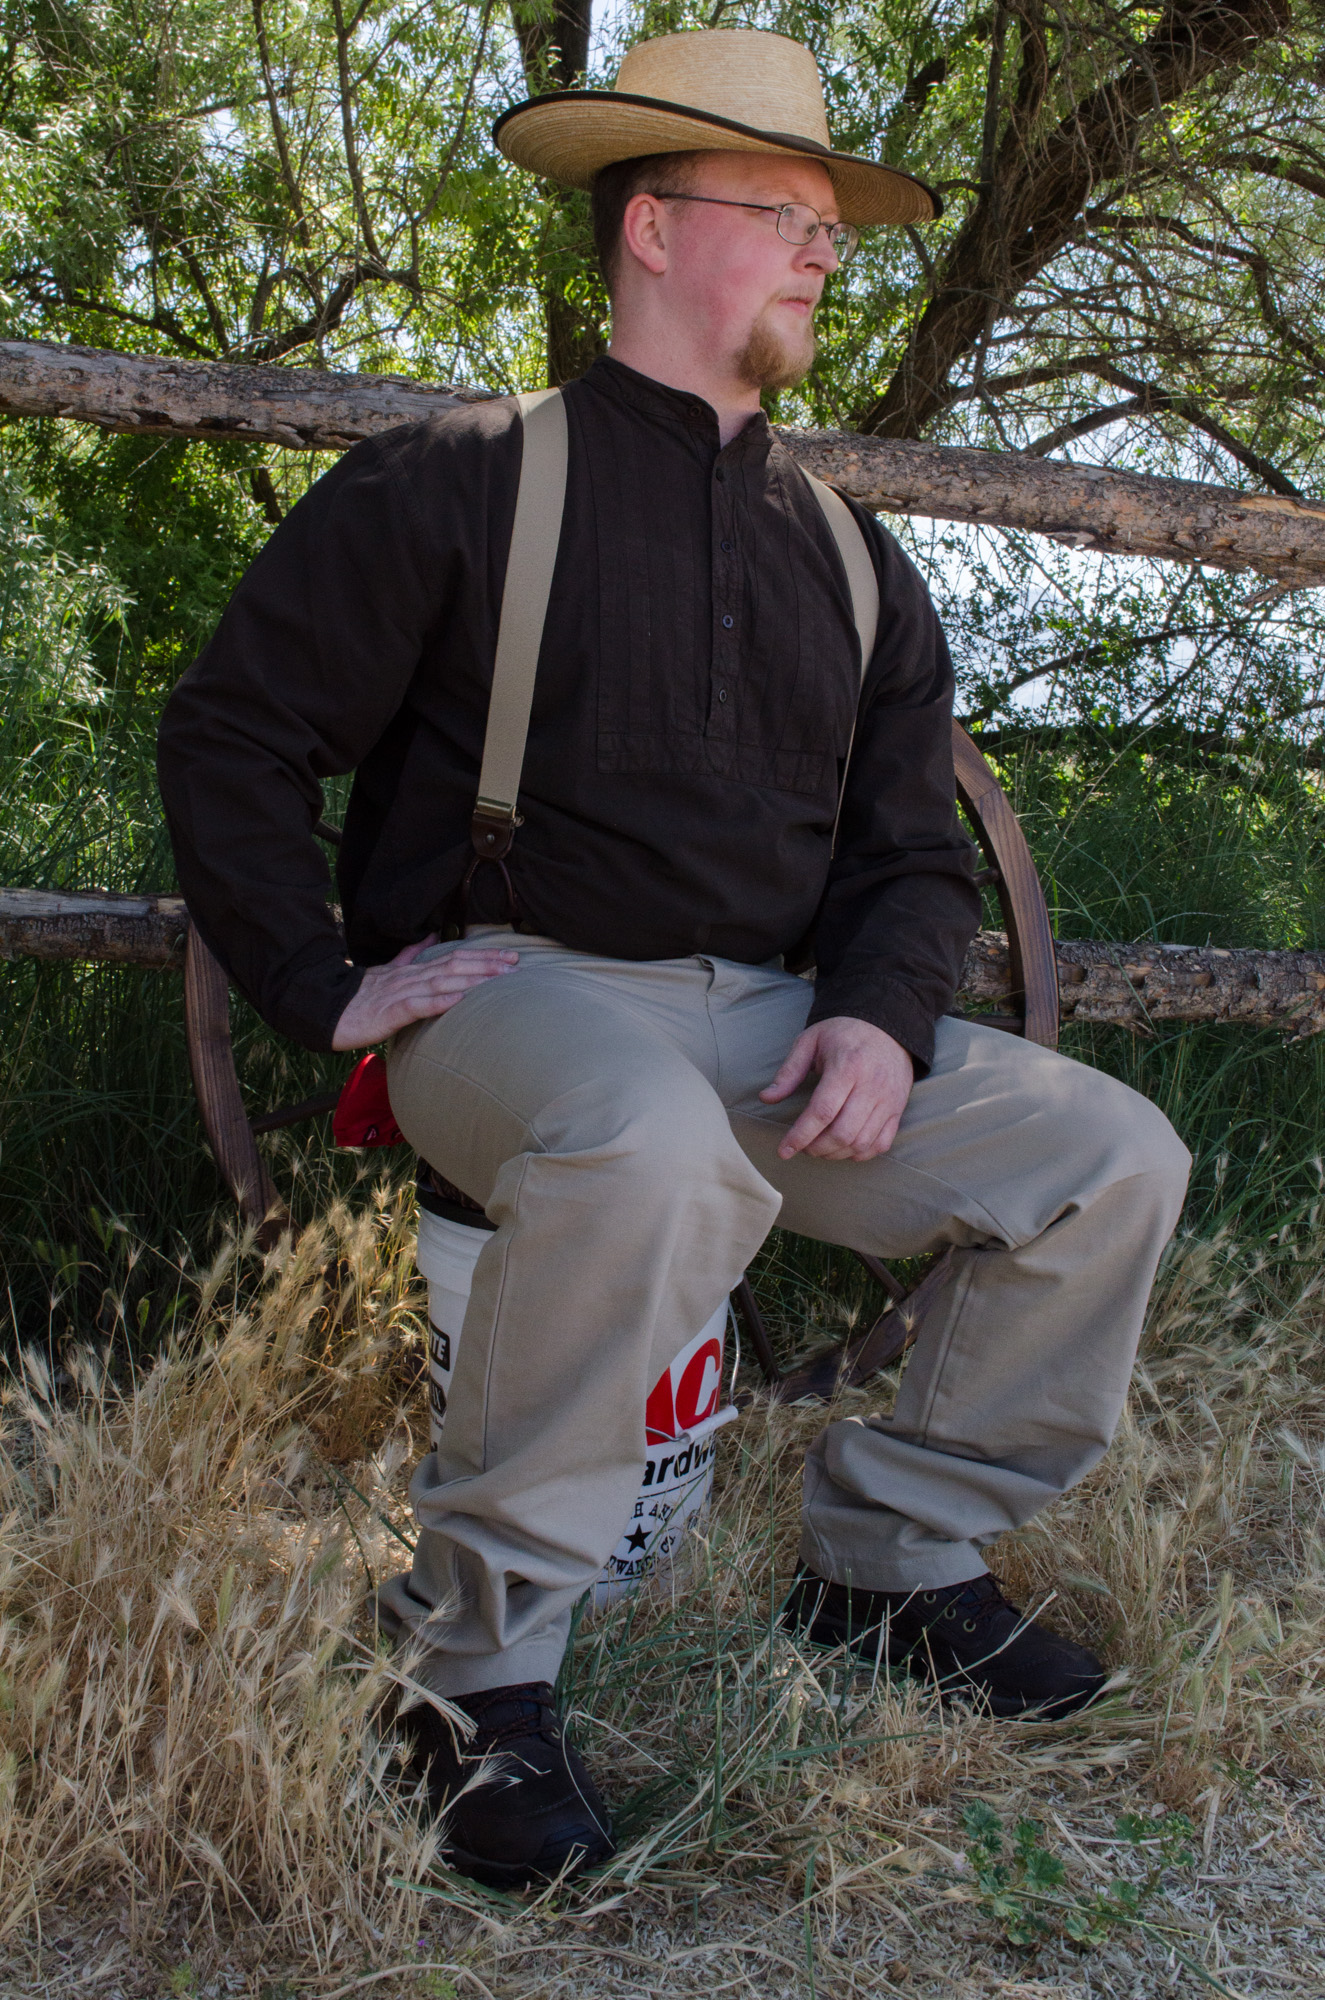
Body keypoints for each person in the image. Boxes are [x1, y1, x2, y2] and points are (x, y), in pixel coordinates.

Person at [157, 27, 1191, 1891]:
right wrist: (325, 985)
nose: (819, 252)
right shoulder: (461, 482)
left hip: (783, 1029)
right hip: (518, 1000)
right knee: (638, 1136)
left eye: (828, 225)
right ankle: (468, 1673)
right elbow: (231, 733)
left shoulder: (856, 561)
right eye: (782, 215)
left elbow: (906, 858)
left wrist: (881, 1024)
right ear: (650, 229)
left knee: (1107, 1157)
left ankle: (887, 1562)